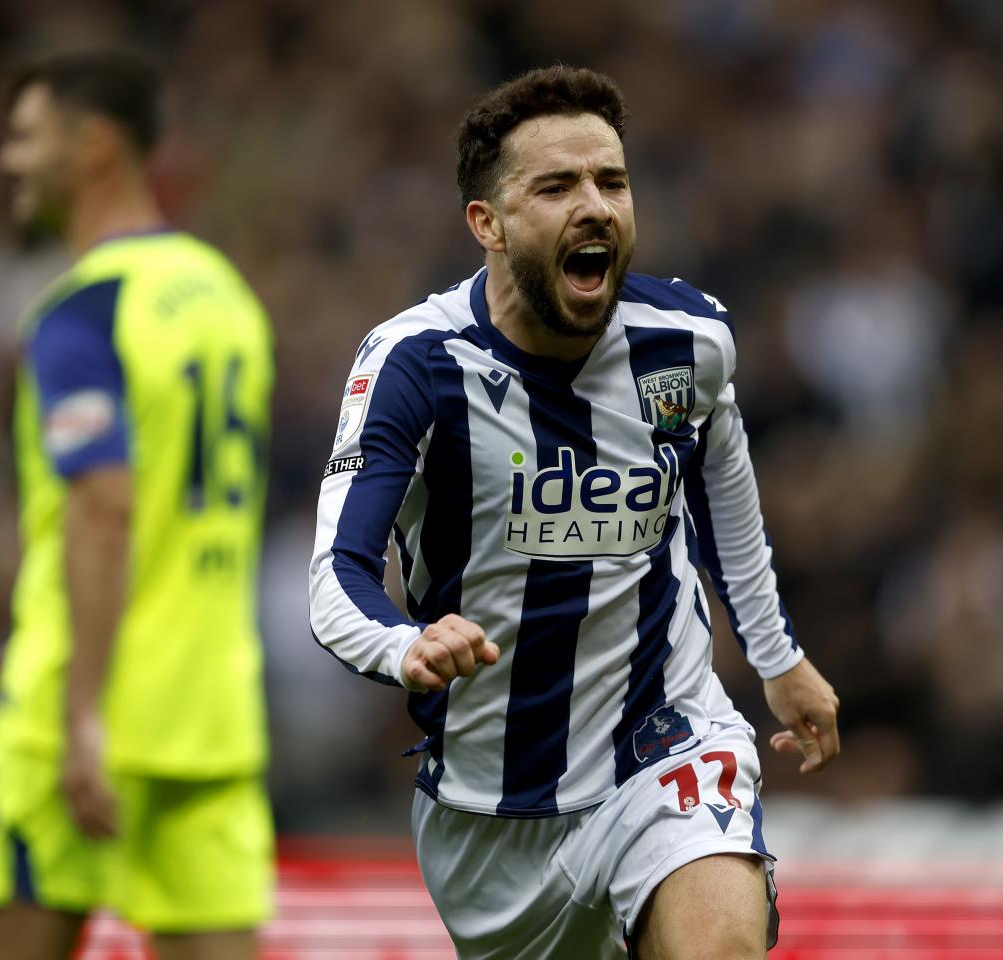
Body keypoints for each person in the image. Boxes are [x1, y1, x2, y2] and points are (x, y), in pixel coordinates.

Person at [308, 65, 840, 960]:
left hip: (663, 741)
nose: (594, 205)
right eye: (556, 186)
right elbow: (336, 577)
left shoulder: (689, 343)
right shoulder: (415, 365)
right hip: (491, 816)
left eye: (612, 182)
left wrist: (776, 655)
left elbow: (724, 494)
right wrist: (406, 645)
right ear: (488, 222)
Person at [0, 52, 275, 960]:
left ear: (93, 147)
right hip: (207, 717)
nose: (9, 161)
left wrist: (83, 707)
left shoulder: (82, 310)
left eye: (26, 138)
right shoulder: (227, 300)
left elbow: (106, 507)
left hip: (73, 716)